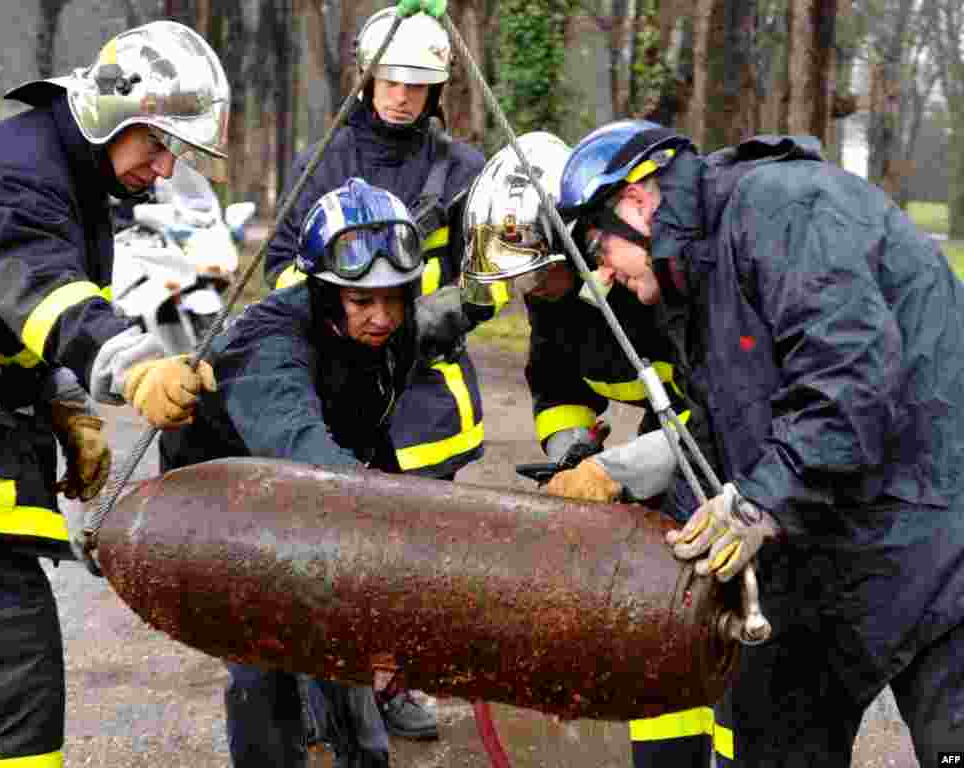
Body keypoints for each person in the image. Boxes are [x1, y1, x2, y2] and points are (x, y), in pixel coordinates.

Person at [557, 118, 964, 765]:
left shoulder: (781, 210)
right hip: (820, 549)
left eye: (597, 244)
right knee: (767, 737)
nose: (602, 269)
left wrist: (756, 503)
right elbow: (732, 433)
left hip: (932, 539)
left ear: (636, 200)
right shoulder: (697, 275)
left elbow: (850, 382)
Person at [0, 20, 225, 766]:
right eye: (158, 144)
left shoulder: (59, 169)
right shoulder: (20, 168)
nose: (165, 169)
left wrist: (63, 397)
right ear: (111, 113)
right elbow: (41, 292)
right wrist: (134, 369)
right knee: (15, 672)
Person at [463, 131, 731, 767]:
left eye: (539, 273)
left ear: (581, 242)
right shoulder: (553, 302)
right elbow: (554, 384)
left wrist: (616, 472)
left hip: (716, 438)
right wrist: (570, 449)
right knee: (655, 616)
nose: (532, 291)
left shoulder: (659, 280)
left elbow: (715, 422)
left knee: (705, 592)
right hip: (666, 429)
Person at [263, 2, 487, 742]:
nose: (400, 96)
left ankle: (394, 684)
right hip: (335, 384)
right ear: (367, 79)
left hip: (424, 392)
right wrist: (331, 326)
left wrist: (434, 316)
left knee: (411, 552)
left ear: (437, 89)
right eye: (390, 80)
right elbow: (278, 268)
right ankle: (325, 694)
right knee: (328, 545)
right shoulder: (323, 160)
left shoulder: (461, 171)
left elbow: (488, 278)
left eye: (416, 85)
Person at [159, 178, 429, 768]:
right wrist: (388, 522)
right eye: (363, 302)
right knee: (264, 654)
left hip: (311, 480)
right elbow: (300, 445)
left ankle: (360, 753)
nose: (382, 316)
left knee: (344, 640)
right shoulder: (268, 345)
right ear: (326, 295)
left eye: (394, 297)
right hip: (224, 499)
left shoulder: (393, 329)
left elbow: (368, 430)